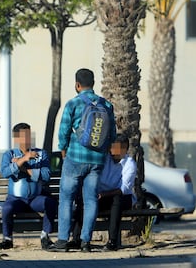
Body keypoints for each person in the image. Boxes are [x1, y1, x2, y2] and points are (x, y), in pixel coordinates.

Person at [49, 68, 116, 253]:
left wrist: (63, 149)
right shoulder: (107, 105)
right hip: (97, 161)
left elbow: (63, 131)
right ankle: (85, 241)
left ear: (77, 85)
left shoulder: (73, 104)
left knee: (66, 199)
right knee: (91, 200)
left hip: (75, 159)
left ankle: (63, 240)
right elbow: (112, 135)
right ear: (93, 83)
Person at [0, 123, 58, 251]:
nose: (27, 139)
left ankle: (45, 236)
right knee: (7, 208)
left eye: (29, 135)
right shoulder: (9, 154)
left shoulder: (41, 154)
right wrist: (23, 159)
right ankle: (7, 239)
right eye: (23, 136)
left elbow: (46, 176)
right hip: (16, 198)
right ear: (17, 138)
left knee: (49, 203)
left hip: (35, 197)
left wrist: (24, 168)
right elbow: (6, 172)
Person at [69, 134, 137, 251]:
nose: (112, 151)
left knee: (117, 200)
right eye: (111, 147)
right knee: (84, 201)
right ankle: (76, 239)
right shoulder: (105, 159)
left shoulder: (130, 163)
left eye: (115, 148)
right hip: (102, 196)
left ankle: (112, 241)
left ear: (124, 149)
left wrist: (103, 195)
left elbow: (123, 189)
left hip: (123, 197)